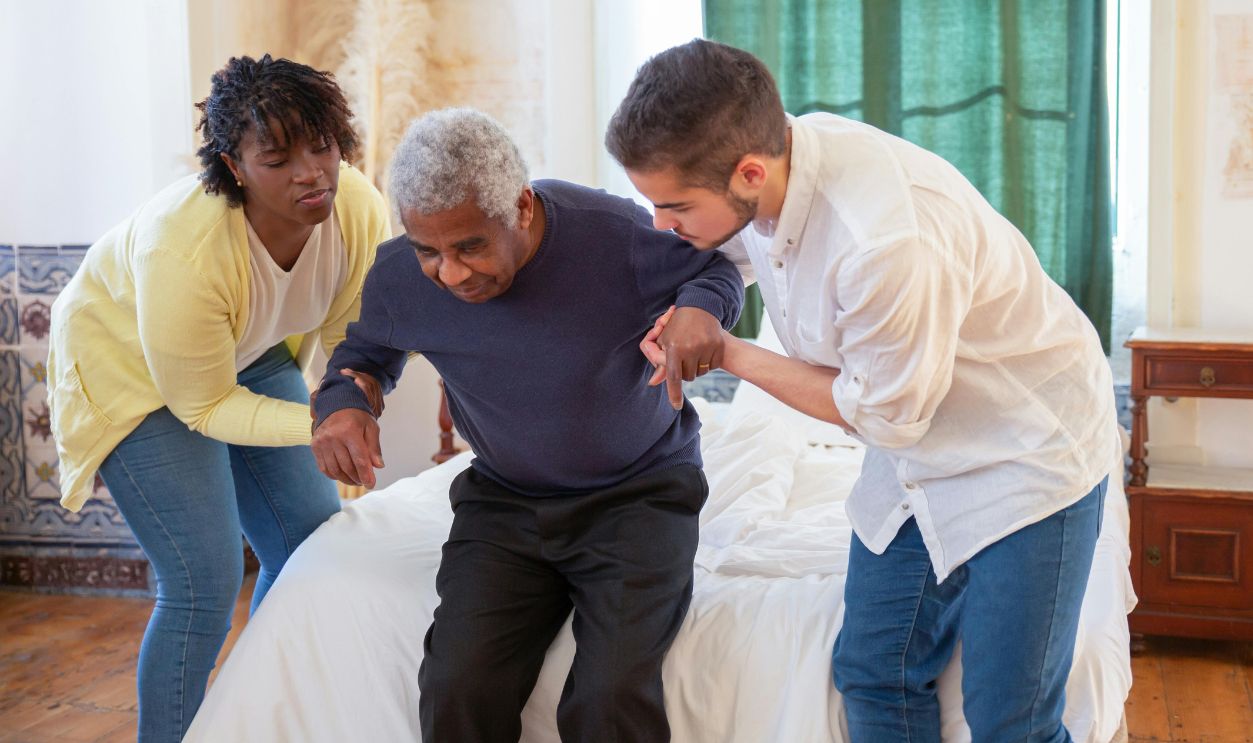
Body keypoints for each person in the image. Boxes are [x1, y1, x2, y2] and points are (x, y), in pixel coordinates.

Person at [606, 39, 1120, 743]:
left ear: (750, 171)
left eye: (673, 207)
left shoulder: (882, 242)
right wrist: (697, 305)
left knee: (1010, 719)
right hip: (919, 444)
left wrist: (729, 353)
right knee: (873, 671)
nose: (662, 226)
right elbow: (727, 250)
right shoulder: (774, 164)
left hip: (1027, 449)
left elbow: (881, 414)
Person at [309, 108, 743, 742]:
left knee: (609, 698)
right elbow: (364, 355)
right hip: (506, 501)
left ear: (520, 206)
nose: (449, 273)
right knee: (457, 686)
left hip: (639, 494)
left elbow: (714, 270)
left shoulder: (610, 234)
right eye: (429, 250)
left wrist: (700, 313)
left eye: (471, 246)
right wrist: (342, 407)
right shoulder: (401, 277)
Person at [47, 55, 389, 742]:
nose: (312, 173)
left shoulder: (354, 205)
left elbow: (353, 340)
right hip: (129, 367)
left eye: (322, 146)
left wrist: (350, 402)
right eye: (279, 158)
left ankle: (251, 720)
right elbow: (202, 407)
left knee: (308, 547)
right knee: (203, 581)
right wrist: (319, 424)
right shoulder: (184, 247)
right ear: (234, 165)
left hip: (246, 344)